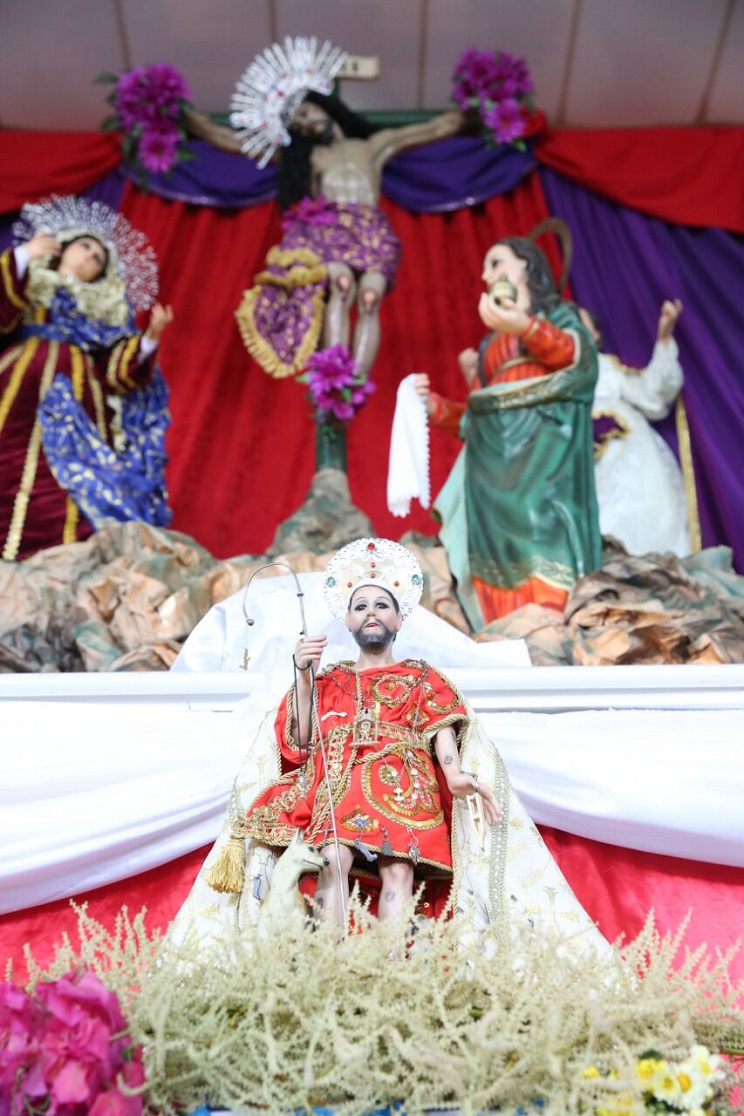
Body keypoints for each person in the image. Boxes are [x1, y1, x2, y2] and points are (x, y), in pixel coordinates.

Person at [170, 538, 606, 949]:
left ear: (398, 619)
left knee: (399, 868)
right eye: (360, 606)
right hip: (340, 785)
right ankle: (326, 963)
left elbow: (440, 726)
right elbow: (299, 743)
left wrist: (454, 773)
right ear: (348, 621)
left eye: (382, 605)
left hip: (403, 785)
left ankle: (390, 967)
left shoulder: (421, 676)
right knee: (332, 859)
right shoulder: (329, 680)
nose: (371, 613)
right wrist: (302, 674)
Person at [187, 37, 463, 380]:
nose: (304, 123)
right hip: (330, 226)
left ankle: (355, 381)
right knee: (342, 288)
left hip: (371, 226)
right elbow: (232, 141)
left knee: (369, 299)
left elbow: (435, 128)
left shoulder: (372, 146)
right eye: (296, 123)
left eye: (305, 112)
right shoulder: (310, 156)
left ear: (322, 105)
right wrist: (192, 122)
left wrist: (477, 108)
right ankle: (333, 375)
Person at [415, 236, 601, 629]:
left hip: (544, 449)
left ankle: (549, 625)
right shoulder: (490, 345)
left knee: (538, 524)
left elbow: (578, 361)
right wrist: (434, 407)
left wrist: (527, 327)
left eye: (497, 263)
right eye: (486, 268)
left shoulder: (559, 316)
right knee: (491, 548)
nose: (487, 276)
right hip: (491, 463)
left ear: (527, 266)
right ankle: (499, 626)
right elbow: (477, 416)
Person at [0, 194, 173, 561]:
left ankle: (60, 552)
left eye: (98, 258)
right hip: (18, 381)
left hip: (79, 393)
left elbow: (117, 372)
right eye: (85, 247)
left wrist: (150, 339)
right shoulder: (31, 281)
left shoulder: (100, 311)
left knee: (69, 472)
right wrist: (26, 254)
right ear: (62, 247)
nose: (90, 258)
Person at [580, 300, 692, 558]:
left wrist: (664, 339)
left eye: (579, 322)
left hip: (627, 453)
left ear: (596, 335)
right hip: (573, 456)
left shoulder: (609, 368)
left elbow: (652, 395)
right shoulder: (547, 377)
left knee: (639, 520)